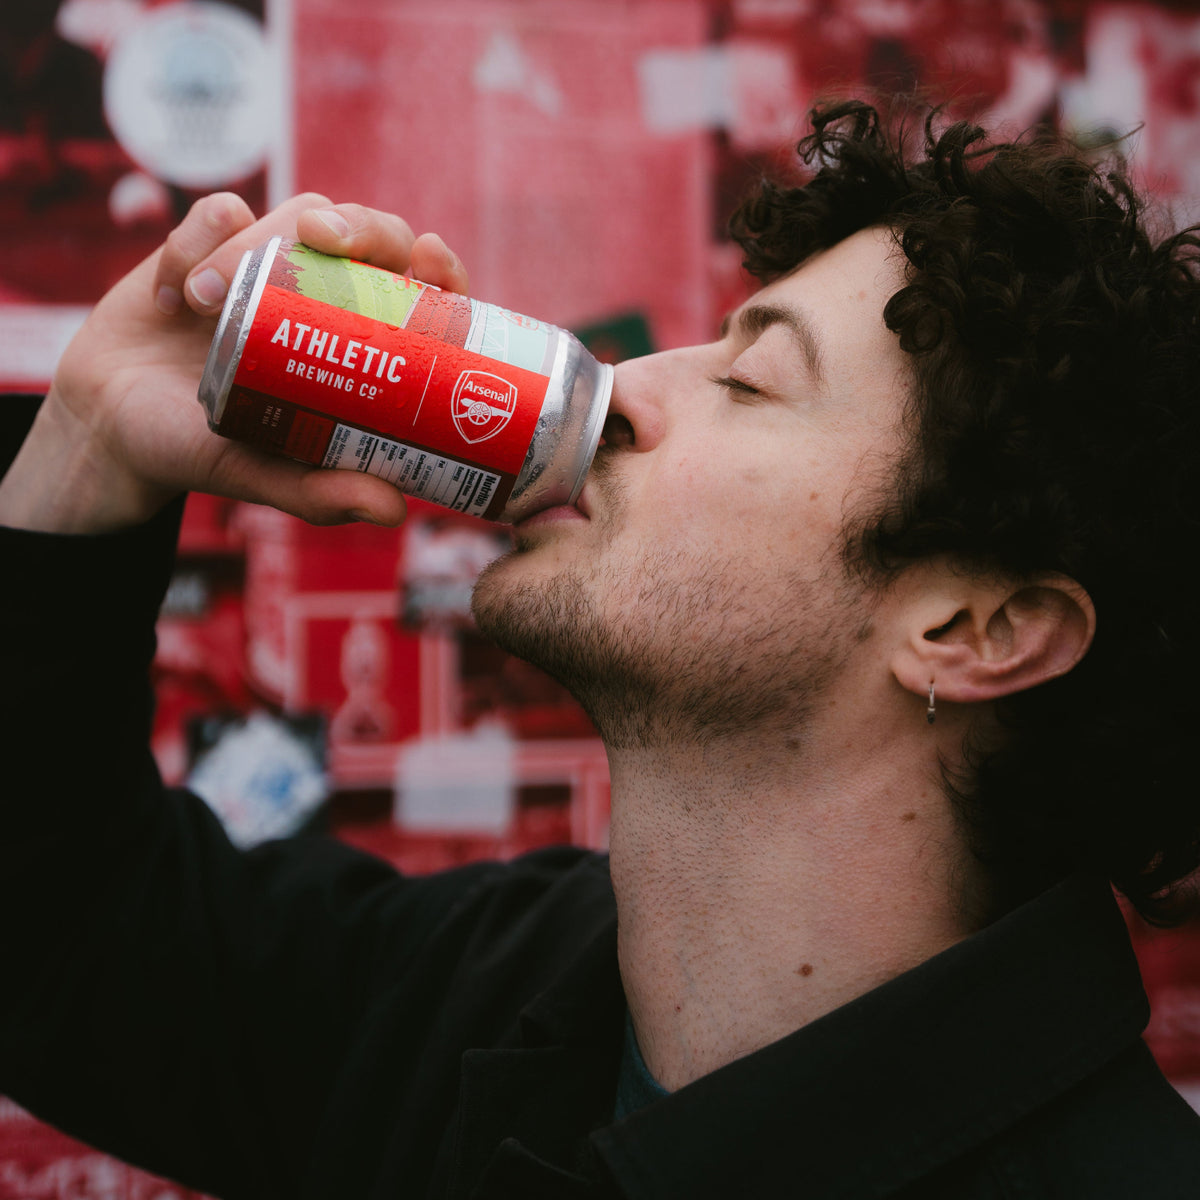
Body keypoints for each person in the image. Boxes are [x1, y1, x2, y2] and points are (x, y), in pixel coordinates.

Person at [2, 98, 1199, 1198]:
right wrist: (88, 447)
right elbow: (60, 928)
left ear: (976, 630)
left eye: (751, 381)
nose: (620, 391)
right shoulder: (488, 993)